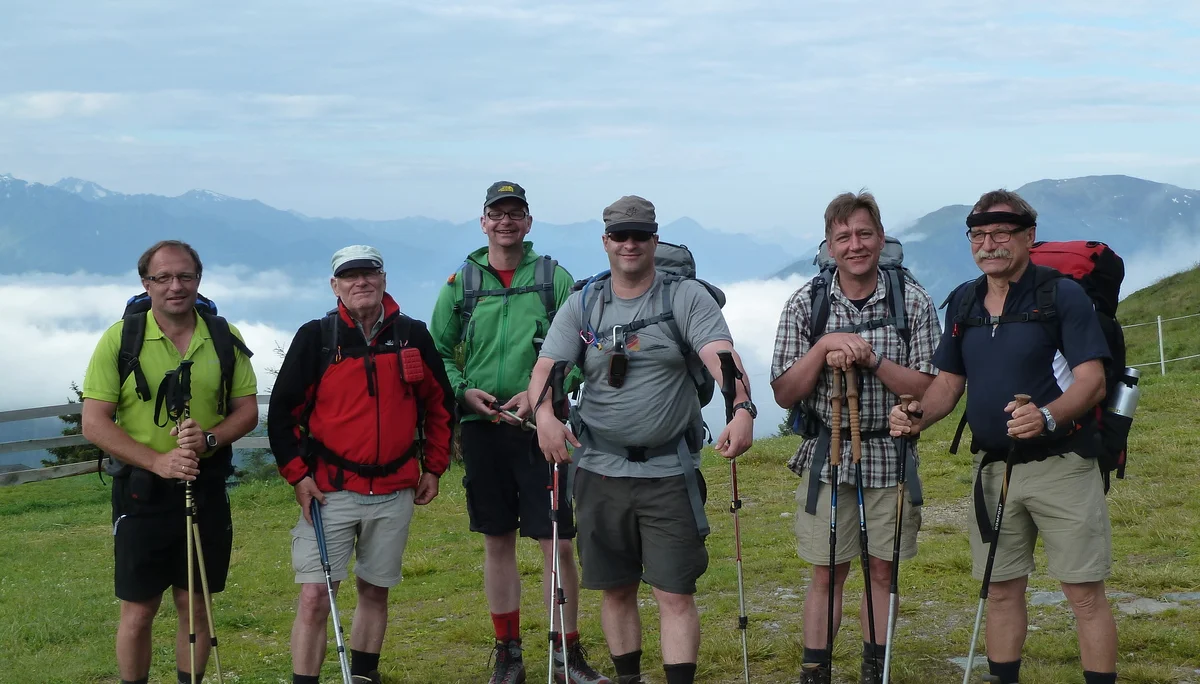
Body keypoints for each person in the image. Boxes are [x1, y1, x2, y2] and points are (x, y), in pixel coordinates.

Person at [888, 189, 1116, 684]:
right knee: (1001, 589)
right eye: (978, 235)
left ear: (1028, 237)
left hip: (1063, 463)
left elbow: (1092, 381)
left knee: (1083, 593)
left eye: (1000, 234)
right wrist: (916, 416)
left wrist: (1047, 418)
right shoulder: (965, 300)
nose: (988, 244)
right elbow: (948, 385)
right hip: (993, 467)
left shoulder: (1062, 296)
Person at [530, 195, 756, 684]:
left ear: (655, 239)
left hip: (667, 472)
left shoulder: (686, 298)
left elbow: (721, 355)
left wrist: (740, 409)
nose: (629, 244)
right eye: (620, 236)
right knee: (615, 588)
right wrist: (545, 415)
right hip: (598, 470)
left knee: (674, 593)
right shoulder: (585, 302)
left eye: (640, 235)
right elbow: (548, 368)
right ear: (605, 241)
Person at [430, 181, 609, 684]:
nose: (506, 222)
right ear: (483, 221)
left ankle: (566, 651)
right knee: (497, 540)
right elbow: (437, 353)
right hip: (482, 427)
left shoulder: (554, 278)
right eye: (497, 213)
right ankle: (508, 652)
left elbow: (584, 349)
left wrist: (542, 396)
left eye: (516, 213)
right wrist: (464, 391)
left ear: (528, 222)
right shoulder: (459, 284)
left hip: (544, 428)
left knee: (558, 541)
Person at [769, 192, 942, 684]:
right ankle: (816, 672)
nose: (855, 245)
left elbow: (931, 389)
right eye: (843, 237)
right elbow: (784, 391)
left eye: (864, 234)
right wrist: (824, 345)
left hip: (891, 451)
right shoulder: (808, 303)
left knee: (882, 572)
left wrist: (873, 362)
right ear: (829, 245)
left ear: (881, 239)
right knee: (827, 571)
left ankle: (874, 669)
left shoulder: (912, 300)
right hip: (828, 454)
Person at [269, 245, 455, 684]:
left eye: (368, 273)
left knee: (375, 589)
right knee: (316, 596)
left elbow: (439, 404)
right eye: (349, 276)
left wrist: (434, 467)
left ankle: (365, 676)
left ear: (384, 279)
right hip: (330, 490)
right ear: (335, 286)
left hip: (394, 489)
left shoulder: (412, 335)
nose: (360, 282)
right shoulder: (317, 338)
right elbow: (283, 414)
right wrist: (298, 476)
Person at [82, 240, 259, 684]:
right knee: (139, 610)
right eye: (163, 278)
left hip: (206, 484)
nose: (175, 287)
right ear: (146, 283)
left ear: (199, 280)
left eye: (185, 276)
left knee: (195, 605)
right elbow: (94, 424)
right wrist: (158, 461)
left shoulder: (224, 336)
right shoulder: (122, 338)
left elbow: (247, 410)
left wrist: (212, 437)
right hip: (141, 492)